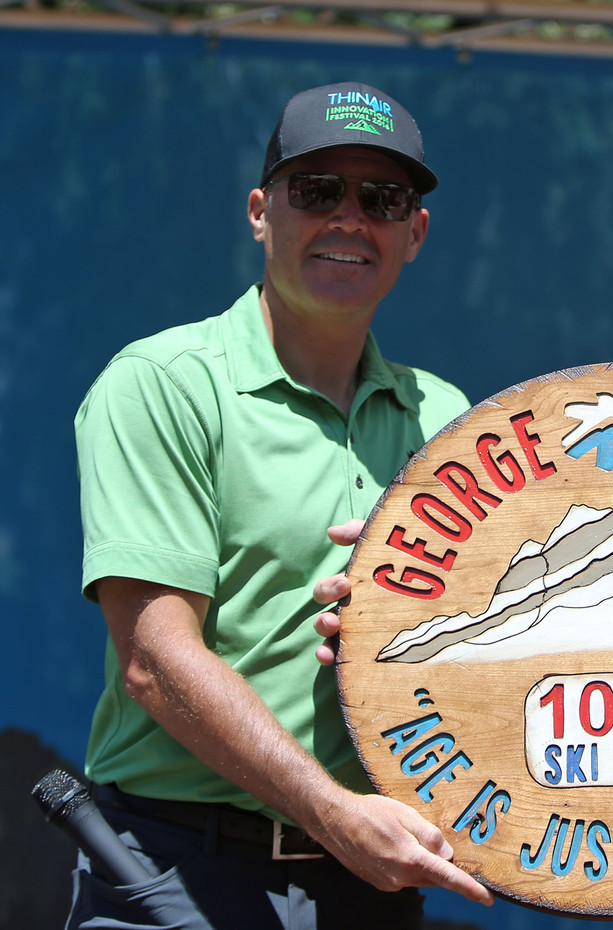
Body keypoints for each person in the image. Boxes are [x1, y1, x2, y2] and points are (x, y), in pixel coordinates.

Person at [69, 82, 493, 929]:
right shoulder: (161, 386)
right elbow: (154, 660)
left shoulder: (451, 421)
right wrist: (333, 814)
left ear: (414, 233)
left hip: (374, 879)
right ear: (261, 212)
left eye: (381, 198)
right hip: (178, 869)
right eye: (315, 191)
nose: (348, 218)